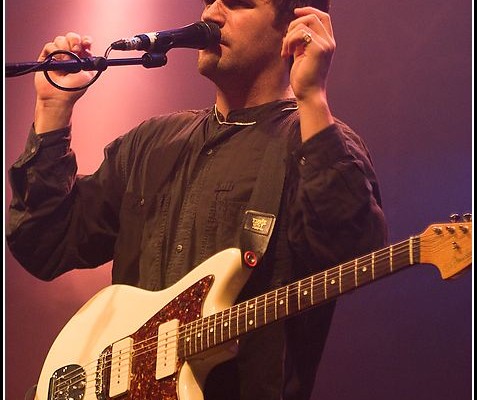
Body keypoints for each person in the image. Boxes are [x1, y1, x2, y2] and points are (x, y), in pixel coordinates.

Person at [7, 0, 388, 399]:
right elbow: (44, 243)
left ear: (297, 30)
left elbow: (353, 254)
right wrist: (51, 112)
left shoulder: (318, 144)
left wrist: (312, 98)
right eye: (209, 1)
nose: (211, 14)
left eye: (238, 4)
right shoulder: (151, 143)